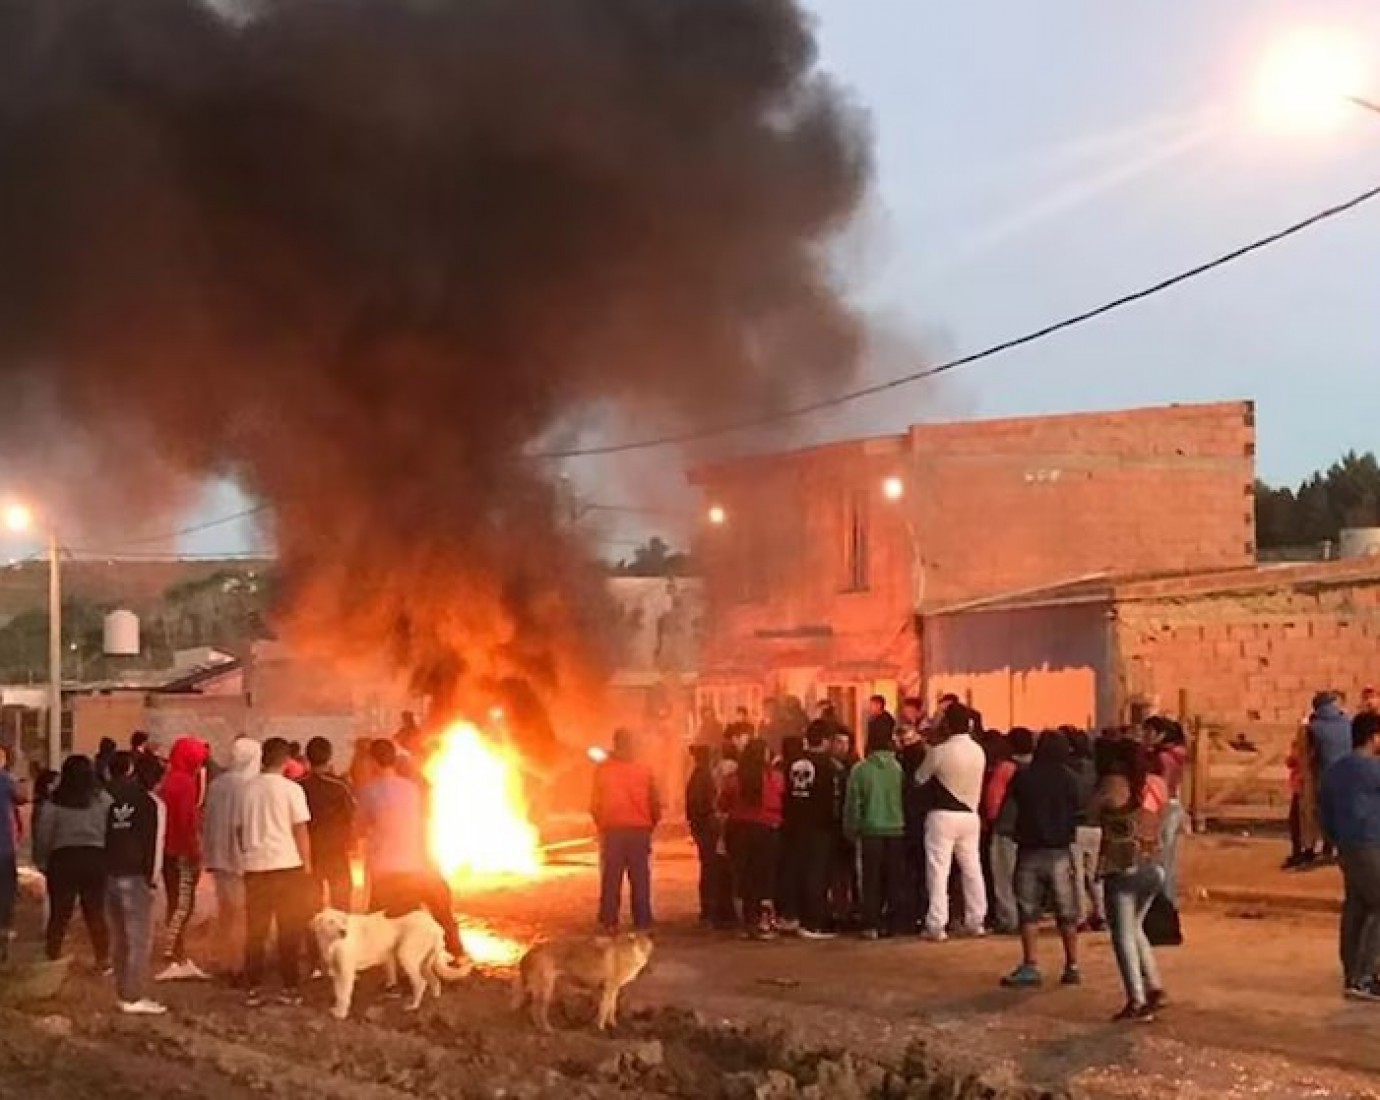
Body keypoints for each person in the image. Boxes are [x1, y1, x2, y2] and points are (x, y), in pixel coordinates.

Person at [358, 739, 465, 958]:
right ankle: (457, 956)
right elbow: (425, 820)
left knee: (390, 921)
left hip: (387, 869)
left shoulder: (369, 792)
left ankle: (398, 972)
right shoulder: (413, 789)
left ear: (372, 762)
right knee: (442, 913)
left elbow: (359, 828)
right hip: (419, 864)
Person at [1001, 730, 1082, 988]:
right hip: (1060, 850)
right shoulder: (1071, 779)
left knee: (1029, 910)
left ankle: (1031, 964)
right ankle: (1072, 965)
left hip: (1030, 849)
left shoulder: (1024, 777)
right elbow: (1079, 811)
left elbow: (1011, 810)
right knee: (1067, 912)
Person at [1094, 740, 1167, 1023]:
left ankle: (1136, 999)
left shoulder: (1113, 784)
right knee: (1135, 928)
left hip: (1122, 866)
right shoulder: (1154, 783)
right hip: (1152, 866)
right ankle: (1154, 986)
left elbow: (1091, 811)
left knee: (1122, 935)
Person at [237, 737, 312, 1007]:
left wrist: (246, 853)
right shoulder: (291, 790)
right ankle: (290, 987)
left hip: (255, 868)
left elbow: (239, 829)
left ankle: (253, 988)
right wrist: (307, 864)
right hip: (286, 866)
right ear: (285, 760)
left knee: (256, 930)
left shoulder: (246, 790)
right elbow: (300, 830)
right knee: (288, 929)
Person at [1319, 711, 1380, 1001]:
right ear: (1374, 737)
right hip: (1370, 843)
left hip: (1347, 845)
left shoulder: (1336, 770)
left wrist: (1335, 840)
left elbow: (1324, 810)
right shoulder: (1374, 770)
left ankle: (1352, 972)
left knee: (1357, 907)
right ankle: (1365, 976)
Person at [915, 703, 988, 941]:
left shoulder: (940, 752)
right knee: (972, 869)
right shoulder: (979, 751)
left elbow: (919, 779)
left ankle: (936, 925)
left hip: (942, 816)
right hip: (971, 815)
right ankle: (976, 920)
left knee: (938, 871)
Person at [104, 750, 168, 1016]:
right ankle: (133, 996)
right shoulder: (152, 804)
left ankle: (123, 991)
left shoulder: (111, 799)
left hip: (109, 874)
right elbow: (154, 845)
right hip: (136, 877)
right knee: (139, 940)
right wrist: (153, 879)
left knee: (119, 938)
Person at [34, 755, 112, 967]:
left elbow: (43, 835)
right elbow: (112, 829)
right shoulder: (103, 800)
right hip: (95, 858)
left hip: (63, 860)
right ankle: (103, 958)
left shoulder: (54, 803)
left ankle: (52, 955)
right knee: (95, 911)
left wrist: (42, 862)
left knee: (60, 913)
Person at [202, 736, 261, 980]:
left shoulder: (217, 784)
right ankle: (238, 966)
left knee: (226, 911)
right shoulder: (249, 787)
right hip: (240, 860)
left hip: (219, 858)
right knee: (241, 915)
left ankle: (224, 959)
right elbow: (245, 827)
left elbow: (207, 819)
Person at [590, 728, 661, 932]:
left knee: (611, 877)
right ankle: (642, 920)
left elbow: (595, 804)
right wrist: (649, 824)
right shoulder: (644, 769)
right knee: (640, 878)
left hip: (613, 831)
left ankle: (609, 920)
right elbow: (654, 802)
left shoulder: (603, 770)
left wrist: (602, 824)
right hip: (639, 831)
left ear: (615, 743)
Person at [156, 736, 211, 982]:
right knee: (182, 905)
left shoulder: (168, 780)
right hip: (180, 852)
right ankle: (173, 956)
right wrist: (194, 852)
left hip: (168, 851)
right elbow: (186, 822)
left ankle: (177, 952)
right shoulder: (185, 784)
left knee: (174, 901)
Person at [844, 721, 906, 939]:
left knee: (870, 880)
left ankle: (871, 923)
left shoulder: (860, 770)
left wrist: (850, 829)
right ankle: (894, 923)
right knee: (894, 879)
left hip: (870, 830)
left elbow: (853, 804)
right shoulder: (899, 768)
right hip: (896, 829)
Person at [777, 724, 838, 939]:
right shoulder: (828, 767)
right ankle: (813, 922)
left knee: (793, 871)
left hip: (793, 826)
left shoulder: (792, 763)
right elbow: (831, 801)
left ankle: (791, 916)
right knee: (816, 875)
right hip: (819, 828)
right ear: (824, 741)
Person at [720, 738, 784, 939]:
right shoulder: (774, 778)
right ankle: (763, 922)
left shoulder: (734, 779)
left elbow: (722, 803)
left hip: (739, 830)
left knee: (744, 877)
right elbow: (780, 802)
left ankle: (747, 924)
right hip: (767, 831)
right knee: (763, 877)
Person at [985, 728, 1034, 935]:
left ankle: (1009, 919)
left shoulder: (1006, 767)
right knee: (1025, 878)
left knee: (1004, 877)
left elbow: (993, 798)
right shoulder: (1036, 766)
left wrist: (991, 819)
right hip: (1029, 829)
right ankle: (1028, 916)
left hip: (1006, 826)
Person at [300, 736, 356, 914]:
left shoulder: (299, 787)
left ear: (307, 758)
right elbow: (352, 815)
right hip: (336, 852)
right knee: (341, 904)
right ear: (329, 756)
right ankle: (342, 940)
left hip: (309, 853)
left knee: (311, 905)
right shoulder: (340, 787)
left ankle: (312, 941)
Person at [685, 744, 732, 928]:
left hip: (702, 828)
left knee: (709, 869)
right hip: (706, 829)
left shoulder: (698, 775)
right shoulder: (703, 777)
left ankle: (709, 909)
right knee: (711, 870)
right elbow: (702, 805)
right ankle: (710, 910)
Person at [1145, 718, 1189, 906]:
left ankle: (1164, 901)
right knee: (1167, 859)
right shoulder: (1176, 755)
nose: (1146, 736)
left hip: (1164, 807)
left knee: (1160, 859)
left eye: (1149, 732)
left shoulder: (1163, 758)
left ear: (1161, 734)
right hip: (1173, 805)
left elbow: (1161, 786)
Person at [897, 702, 930, 933]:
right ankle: (921, 912)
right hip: (923, 819)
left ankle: (908, 914)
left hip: (907, 820)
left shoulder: (903, 763)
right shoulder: (924, 759)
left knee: (909, 870)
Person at [1067, 730, 1104, 931]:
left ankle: (1080, 916)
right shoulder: (1097, 770)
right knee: (1094, 875)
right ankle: (1101, 913)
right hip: (1096, 825)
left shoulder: (1068, 771)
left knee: (1077, 876)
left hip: (1076, 826)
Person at [1310, 691, 1352, 862]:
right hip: (1348, 772)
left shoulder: (1315, 725)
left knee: (1327, 812)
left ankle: (1329, 848)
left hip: (1327, 773)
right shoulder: (1347, 722)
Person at [828, 726, 860, 927]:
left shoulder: (854, 767)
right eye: (838, 742)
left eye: (845, 743)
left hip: (851, 824)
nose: (841, 747)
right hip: (832, 825)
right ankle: (840, 910)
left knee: (853, 870)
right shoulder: (827, 767)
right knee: (837, 871)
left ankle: (855, 908)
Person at [0, 746, 27, 961]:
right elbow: (22, 797)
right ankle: (4, 932)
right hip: (3, 847)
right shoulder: (5, 780)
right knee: (6, 892)